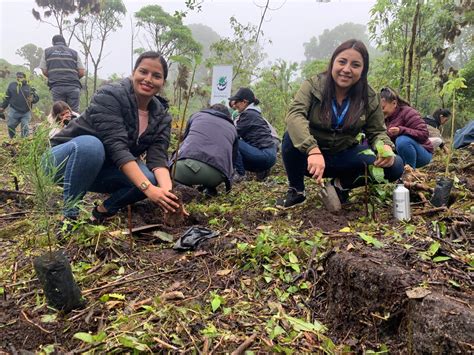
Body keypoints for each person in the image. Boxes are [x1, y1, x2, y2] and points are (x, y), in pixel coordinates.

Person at [47, 51, 183, 224]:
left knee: (149, 179)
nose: (148, 79)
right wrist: (148, 190)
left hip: (101, 171)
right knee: (91, 146)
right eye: (143, 72)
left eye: (156, 76)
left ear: (162, 82)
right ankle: (69, 217)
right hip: (61, 163)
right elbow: (117, 148)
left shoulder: (161, 117)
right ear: (134, 73)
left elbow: (158, 159)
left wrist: (169, 197)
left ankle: (102, 212)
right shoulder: (110, 95)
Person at [276, 39, 404, 209]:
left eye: (355, 65)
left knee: (395, 165)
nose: (346, 69)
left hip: (345, 156)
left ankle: (339, 185)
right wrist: (312, 149)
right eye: (342, 62)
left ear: (363, 70)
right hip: (311, 159)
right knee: (290, 138)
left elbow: (377, 132)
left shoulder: (369, 96)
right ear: (333, 63)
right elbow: (295, 115)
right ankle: (297, 190)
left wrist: (385, 147)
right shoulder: (313, 85)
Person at [171, 104, 238, 196]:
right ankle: (208, 189)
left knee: (169, 171)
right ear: (228, 116)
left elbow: (185, 142)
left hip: (185, 168)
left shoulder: (196, 116)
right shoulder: (233, 128)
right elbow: (232, 160)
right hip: (216, 176)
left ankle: (186, 188)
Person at [229, 87, 278, 182]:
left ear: (244, 102)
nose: (235, 106)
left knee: (232, 142)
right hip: (270, 155)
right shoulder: (255, 114)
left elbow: (233, 134)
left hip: (264, 155)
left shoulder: (248, 115)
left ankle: (240, 174)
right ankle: (260, 174)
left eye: (236, 103)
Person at [380, 87, 433, 169]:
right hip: (399, 153)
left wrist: (401, 130)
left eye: (383, 108)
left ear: (394, 103)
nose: (381, 111)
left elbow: (424, 134)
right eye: (379, 109)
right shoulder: (383, 119)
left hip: (422, 152)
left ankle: (410, 172)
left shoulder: (408, 112)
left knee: (402, 141)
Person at [40, 34, 85, 112]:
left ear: (53, 42)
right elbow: (81, 72)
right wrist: (72, 78)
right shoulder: (74, 53)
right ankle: (73, 124)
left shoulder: (47, 52)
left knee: (59, 112)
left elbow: (44, 71)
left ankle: (60, 124)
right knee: (73, 112)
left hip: (57, 86)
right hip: (73, 86)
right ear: (64, 42)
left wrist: (54, 77)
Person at [0, 72, 39, 138]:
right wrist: (2, 107)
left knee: (25, 127)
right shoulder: (12, 85)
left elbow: (37, 98)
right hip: (14, 110)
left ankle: (24, 142)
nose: (19, 79)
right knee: (10, 125)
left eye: (21, 77)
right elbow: (7, 97)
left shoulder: (30, 86)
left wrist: (32, 100)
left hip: (26, 112)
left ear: (24, 78)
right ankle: (13, 140)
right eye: (18, 77)